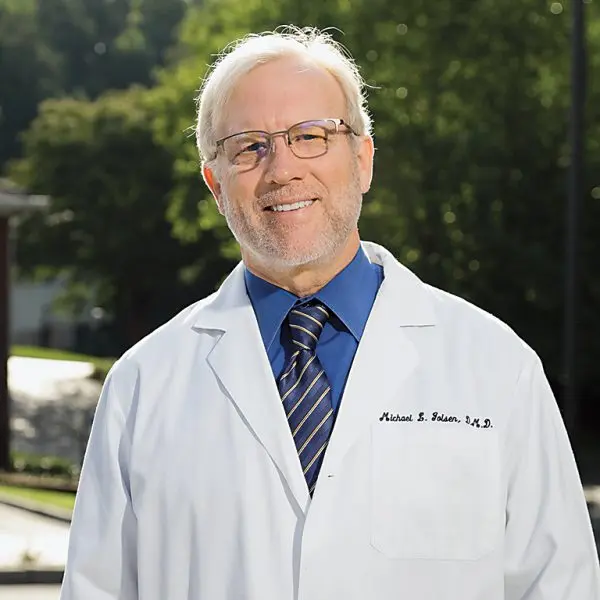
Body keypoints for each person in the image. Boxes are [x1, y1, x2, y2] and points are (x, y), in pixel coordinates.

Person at [60, 26, 600, 600]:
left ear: (364, 160)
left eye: (311, 136)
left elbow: (559, 586)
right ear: (215, 184)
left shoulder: (498, 368)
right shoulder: (144, 385)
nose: (283, 169)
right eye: (248, 146)